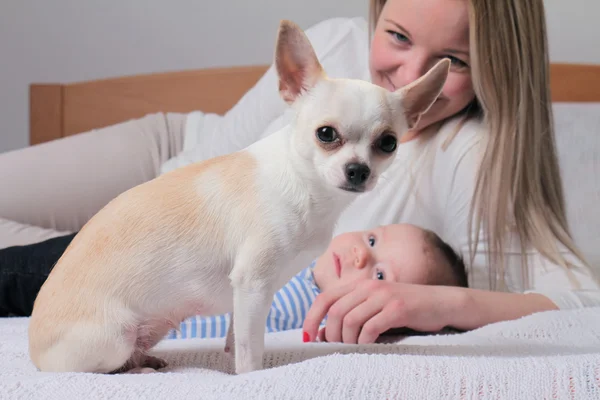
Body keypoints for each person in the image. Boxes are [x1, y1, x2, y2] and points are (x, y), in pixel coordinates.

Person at [0, 0, 599, 343]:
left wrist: (438, 303)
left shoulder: (471, 156)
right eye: (395, 35)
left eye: (452, 62)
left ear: (499, 67)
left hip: (175, 245)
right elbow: (203, 161)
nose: (406, 72)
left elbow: (584, 308)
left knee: (28, 276)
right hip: (171, 157)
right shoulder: (335, 45)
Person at [165, 223, 468, 339]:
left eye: (380, 275)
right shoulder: (300, 251)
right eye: (372, 239)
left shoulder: (314, 317)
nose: (360, 253)